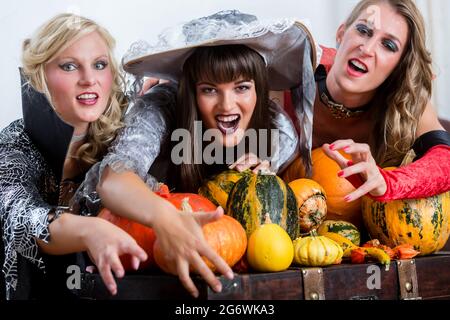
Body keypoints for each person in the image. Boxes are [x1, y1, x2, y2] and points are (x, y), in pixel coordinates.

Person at [75, 10, 316, 298]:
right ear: (190, 91)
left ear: (259, 90)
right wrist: (164, 217)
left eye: (242, 87)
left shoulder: (278, 132)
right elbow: (113, 179)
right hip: (131, 252)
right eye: (209, 90)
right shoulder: (159, 108)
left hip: (215, 260)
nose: (227, 106)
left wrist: (263, 173)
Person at [0, 13, 149, 300]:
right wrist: (90, 230)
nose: (89, 79)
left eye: (99, 65)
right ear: (40, 77)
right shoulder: (13, 146)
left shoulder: (122, 144)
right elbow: (22, 218)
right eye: (69, 66)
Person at [282, 0, 450, 208]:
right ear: (341, 33)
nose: (367, 49)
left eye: (388, 45)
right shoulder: (289, 71)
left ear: (399, 66)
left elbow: (446, 160)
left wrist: (388, 183)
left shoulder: (406, 102)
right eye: (363, 30)